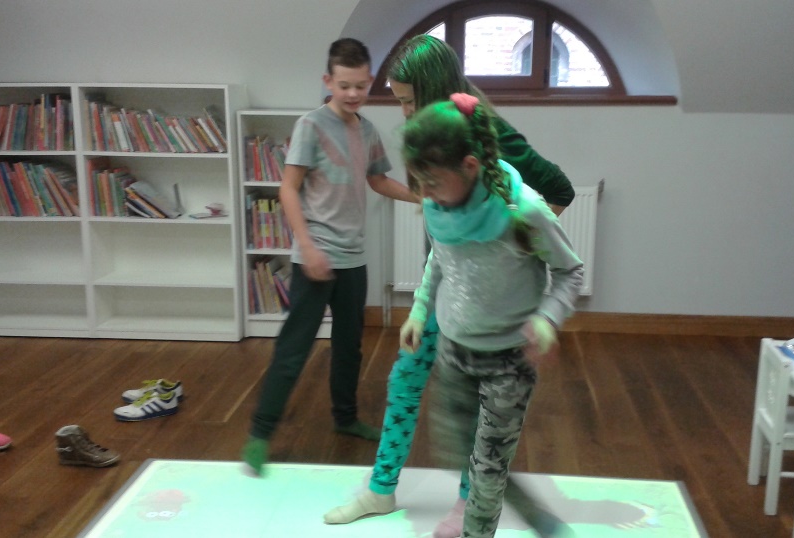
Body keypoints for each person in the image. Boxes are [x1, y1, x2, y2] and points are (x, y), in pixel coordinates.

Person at [324, 34, 577, 537]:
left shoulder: (484, 134)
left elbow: (559, 191)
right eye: (398, 102)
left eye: (409, 101)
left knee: (482, 422)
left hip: (485, 305)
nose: (403, 112)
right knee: (405, 380)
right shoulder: (427, 140)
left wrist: (512, 250)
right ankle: (381, 488)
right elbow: (439, 239)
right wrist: (425, 301)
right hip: (445, 286)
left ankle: (468, 505)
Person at [405, 94, 583, 536]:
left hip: (508, 362)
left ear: (470, 166)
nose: (424, 193)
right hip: (453, 353)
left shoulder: (525, 212)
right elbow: (440, 257)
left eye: (432, 181)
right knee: (456, 453)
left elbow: (570, 272)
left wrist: (546, 319)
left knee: (486, 470)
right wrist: (420, 307)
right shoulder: (438, 206)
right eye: (418, 181)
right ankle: (536, 516)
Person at [242, 37, 420, 476]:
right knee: (294, 348)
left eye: (360, 85)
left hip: (353, 258)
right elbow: (288, 188)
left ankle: (345, 418)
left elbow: (378, 180)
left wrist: (421, 197)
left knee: (349, 347)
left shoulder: (368, 130)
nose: (353, 93)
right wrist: (306, 245)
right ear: (328, 81)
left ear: (370, 80)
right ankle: (260, 435)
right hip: (315, 257)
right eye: (344, 85)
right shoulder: (311, 125)